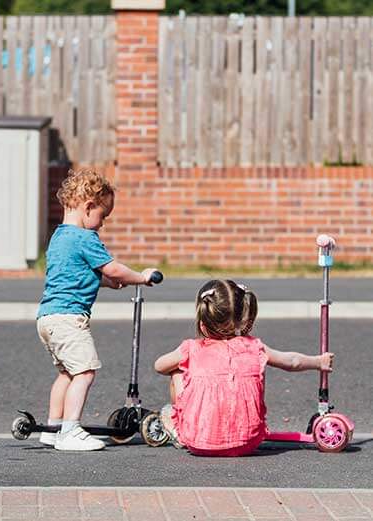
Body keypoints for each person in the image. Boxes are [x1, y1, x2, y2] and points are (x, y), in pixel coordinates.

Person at [37, 168, 157, 451]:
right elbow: (113, 267)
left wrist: (106, 283)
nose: (101, 225)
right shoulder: (85, 238)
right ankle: (70, 430)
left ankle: (52, 427)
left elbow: (75, 274)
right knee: (86, 372)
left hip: (48, 317)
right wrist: (141, 276)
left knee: (67, 373)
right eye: (102, 216)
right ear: (88, 207)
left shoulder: (59, 237)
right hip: (69, 318)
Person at [154, 279, 334, 457]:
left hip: (197, 442)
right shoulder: (254, 346)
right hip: (248, 443)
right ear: (242, 319)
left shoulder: (191, 348)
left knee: (177, 370)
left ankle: (178, 427)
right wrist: (319, 362)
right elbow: (292, 361)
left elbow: (159, 366)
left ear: (202, 321)